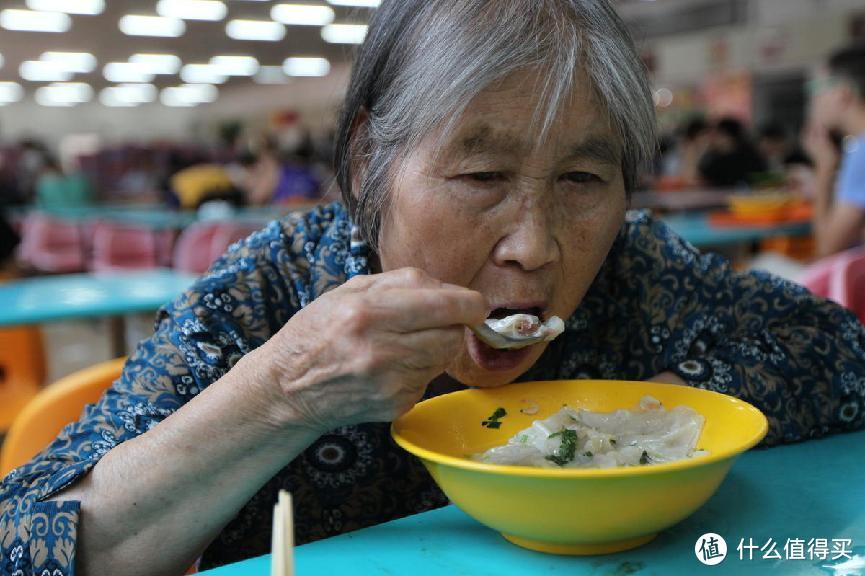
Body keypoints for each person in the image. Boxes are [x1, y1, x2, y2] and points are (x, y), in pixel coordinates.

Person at [2, 1, 864, 574]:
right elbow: (22, 543)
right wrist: (279, 393)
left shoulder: (638, 270)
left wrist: (642, 430)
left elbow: (835, 351)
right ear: (371, 156)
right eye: (481, 173)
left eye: (581, 181)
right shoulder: (266, 295)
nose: (532, 247)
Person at [805, 42, 865, 257]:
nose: (813, 100)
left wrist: (824, 169)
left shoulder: (861, 154)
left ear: (842, 92)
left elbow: (827, 249)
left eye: (816, 89)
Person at [698, 117, 767, 188]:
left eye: (717, 135)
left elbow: (761, 179)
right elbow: (700, 179)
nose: (712, 139)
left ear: (729, 137)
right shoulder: (715, 157)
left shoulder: (749, 157)